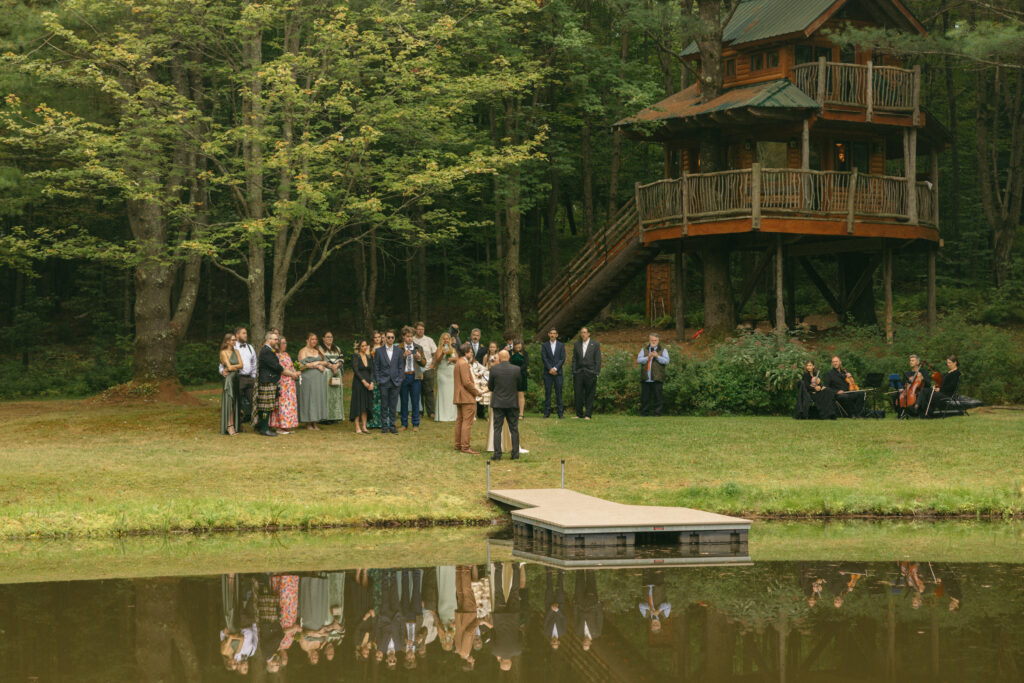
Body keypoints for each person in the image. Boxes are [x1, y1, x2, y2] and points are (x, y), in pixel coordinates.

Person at [488, 350, 522, 461]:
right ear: (508, 357)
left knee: (497, 429)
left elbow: (490, 386)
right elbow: (519, 385)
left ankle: (497, 454)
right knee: (514, 429)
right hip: (512, 402)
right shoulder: (516, 369)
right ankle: (515, 453)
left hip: (498, 402)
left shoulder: (494, 369)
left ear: (500, 357)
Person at [453, 342, 483, 454]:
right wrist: (477, 392)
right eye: (470, 352)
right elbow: (466, 382)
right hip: (466, 396)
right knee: (467, 422)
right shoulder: (464, 364)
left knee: (460, 421)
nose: (472, 353)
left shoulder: (458, 362)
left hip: (459, 396)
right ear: (466, 353)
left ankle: (458, 444)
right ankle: (465, 447)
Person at [374, 329, 404, 434]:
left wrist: (400, 379)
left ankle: (392, 425)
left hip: (395, 382)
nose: (390, 339)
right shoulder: (379, 351)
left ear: (394, 338)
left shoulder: (399, 351)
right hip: (384, 382)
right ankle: (384, 426)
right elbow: (376, 367)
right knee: (384, 405)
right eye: (388, 337)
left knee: (393, 405)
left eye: (392, 337)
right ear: (385, 338)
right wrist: (378, 380)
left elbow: (401, 367)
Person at [269, 336, 300, 435]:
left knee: (290, 404)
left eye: (286, 343)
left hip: (290, 383)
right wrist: (292, 374)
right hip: (282, 382)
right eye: (283, 343)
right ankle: (280, 426)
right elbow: (280, 369)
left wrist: (295, 373)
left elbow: (291, 366)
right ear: (278, 345)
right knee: (282, 404)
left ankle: (287, 426)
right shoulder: (276, 355)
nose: (285, 345)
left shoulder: (286, 354)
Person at [297, 333, 329, 430]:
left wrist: (318, 362)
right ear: (307, 340)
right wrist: (316, 365)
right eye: (312, 339)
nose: (314, 341)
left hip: (318, 378)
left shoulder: (318, 350)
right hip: (308, 378)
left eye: (315, 339)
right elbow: (302, 365)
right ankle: (308, 422)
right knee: (308, 398)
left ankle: (315, 422)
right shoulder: (303, 351)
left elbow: (326, 362)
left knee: (316, 398)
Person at [254, 331, 283, 436]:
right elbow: (275, 365)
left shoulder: (269, 350)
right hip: (267, 381)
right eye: (275, 339)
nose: (277, 341)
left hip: (269, 380)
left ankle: (264, 427)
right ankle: (264, 429)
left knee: (267, 406)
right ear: (268, 339)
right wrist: (283, 369)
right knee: (266, 406)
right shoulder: (266, 351)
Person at [398, 326, 427, 431]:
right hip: (403, 376)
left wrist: (419, 358)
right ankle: (404, 424)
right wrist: (403, 356)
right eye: (407, 336)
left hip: (415, 376)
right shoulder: (399, 348)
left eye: (411, 336)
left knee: (415, 401)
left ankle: (415, 424)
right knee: (404, 401)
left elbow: (424, 363)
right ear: (403, 337)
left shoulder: (418, 347)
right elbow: (394, 364)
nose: (410, 338)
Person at [637, 333, 670, 417]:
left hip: (657, 377)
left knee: (658, 397)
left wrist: (657, 356)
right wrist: (647, 357)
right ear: (649, 340)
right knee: (645, 397)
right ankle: (644, 413)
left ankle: (657, 413)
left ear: (658, 341)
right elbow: (639, 360)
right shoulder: (644, 349)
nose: (653, 341)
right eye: (652, 340)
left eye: (655, 340)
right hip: (646, 377)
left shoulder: (663, 350)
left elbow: (666, 361)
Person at [572, 327, 601, 419]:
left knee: (590, 394)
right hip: (579, 372)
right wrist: (574, 371)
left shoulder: (595, 344)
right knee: (578, 394)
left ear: (589, 334)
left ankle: (588, 414)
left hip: (590, 372)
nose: (583, 334)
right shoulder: (577, 344)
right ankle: (579, 414)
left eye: (585, 332)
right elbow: (574, 359)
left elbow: (598, 359)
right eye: (581, 333)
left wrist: (596, 372)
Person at [572, 570, 603, 651]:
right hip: (591, 604)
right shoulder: (597, 633)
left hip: (580, 603)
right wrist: (598, 605)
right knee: (591, 579)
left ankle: (579, 560)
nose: (585, 642)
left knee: (579, 580)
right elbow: (599, 618)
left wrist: (575, 605)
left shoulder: (578, 632)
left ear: (582, 642)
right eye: (586, 644)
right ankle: (589, 561)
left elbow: (575, 617)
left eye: (583, 644)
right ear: (590, 643)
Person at [219, 333, 243, 435]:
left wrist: (233, 367)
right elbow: (228, 367)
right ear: (227, 341)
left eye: (235, 340)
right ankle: (229, 426)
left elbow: (242, 365)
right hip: (228, 379)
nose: (234, 342)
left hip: (236, 378)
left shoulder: (236, 351)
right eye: (232, 340)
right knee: (230, 402)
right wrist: (233, 367)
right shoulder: (223, 352)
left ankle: (236, 425)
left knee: (236, 402)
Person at [349, 339, 375, 434]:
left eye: (365, 345)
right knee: (358, 404)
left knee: (365, 405)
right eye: (362, 346)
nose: (364, 347)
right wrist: (363, 381)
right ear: (359, 347)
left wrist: (371, 382)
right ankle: (357, 426)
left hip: (368, 383)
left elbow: (372, 370)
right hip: (358, 383)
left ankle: (364, 426)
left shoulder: (369, 356)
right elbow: (356, 370)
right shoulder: (355, 356)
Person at [233, 327, 258, 425]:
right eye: (243, 333)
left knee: (254, 401)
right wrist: (222, 371)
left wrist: (253, 376)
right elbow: (223, 363)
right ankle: (236, 424)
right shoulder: (233, 347)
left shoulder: (250, 347)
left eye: (246, 333)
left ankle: (256, 423)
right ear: (237, 335)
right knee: (237, 401)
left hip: (249, 378)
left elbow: (254, 362)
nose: (246, 335)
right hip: (238, 378)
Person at [413, 322, 438, 420]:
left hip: (428, 368)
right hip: (416, 369)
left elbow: (435, 353)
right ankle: (419, 412)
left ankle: (431, 412)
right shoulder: (413, 340)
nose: (420, 331)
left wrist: (433, 364)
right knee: (418, 391)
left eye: (422, 329)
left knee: (429, 391)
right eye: (419, 329)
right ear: (415, 329)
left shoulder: (429, 340)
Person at [319, 331, 345, 424]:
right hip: (325, 375)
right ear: (323, 338)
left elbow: (341, 358)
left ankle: (335, 416)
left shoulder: (337, 348)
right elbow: (321, 359)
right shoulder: (320, 348)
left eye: (331, 337)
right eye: (328, 337)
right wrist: (331, 366)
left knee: (336, 396)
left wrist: (337, 365)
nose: (330, 338)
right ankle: (326, 418)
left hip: (336, 373)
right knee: (327, 395)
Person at [541, 327, 565, 418]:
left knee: (559, 392)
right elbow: (544, 358)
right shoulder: (545, 345)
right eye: (551, 333)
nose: (552, 335)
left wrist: (555, 368)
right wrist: (550, 369)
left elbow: (562, 358)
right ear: (548, 334)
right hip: (548, 373)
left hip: (558, 373)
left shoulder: (561, 345)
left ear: (557, 335)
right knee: (548, 392)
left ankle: (560, 413)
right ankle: (547, 413)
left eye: (554, 333)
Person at [433, 332, 458, 422]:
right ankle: (442, 415)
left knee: (451, 394)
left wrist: (452, 359)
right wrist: (443, 353)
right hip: (442, 373)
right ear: (441, 340)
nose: (446, 340)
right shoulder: (439, 349)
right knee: (443, 393)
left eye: (447, 338)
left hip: (451, 373)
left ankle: (452, 415)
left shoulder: (453, 349)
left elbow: (458, 360)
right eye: (444, 338)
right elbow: (438, 361)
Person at [543, 568, 567, 650]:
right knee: (559, 588)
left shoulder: (546, 632)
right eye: (556, 643)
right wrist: (557, 609)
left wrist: (551, 609)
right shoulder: (563, 632)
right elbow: (563, 618)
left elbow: (546, 619)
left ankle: (548, 571)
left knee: (549, 588)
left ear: (550, 642)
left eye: (553, 643)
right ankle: (560, 571)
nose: (554, 642)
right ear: (558, 642)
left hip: (549, 606)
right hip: (559, 606)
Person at [367, 331, 384, 430]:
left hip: (382, 375)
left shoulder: (384, 348)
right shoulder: (369, 349)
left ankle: (382, 422)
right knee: (373, 399)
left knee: (383, 399)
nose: (377, 339)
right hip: (372, 375)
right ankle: (372, 422)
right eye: (375, 337)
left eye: (379, 337)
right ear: (372, 339)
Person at [469, 328, 487, 418]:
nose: (475, 337)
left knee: (480, 391)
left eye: (477, 335)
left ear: (479, 337)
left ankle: (480, 413)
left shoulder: (484, 348)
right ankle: (471, 413)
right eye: (474, 335)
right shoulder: (467, 346)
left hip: (479, 373)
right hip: (469, 371)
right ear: (471, 336)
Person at [509, 340, 528, 420]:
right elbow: (507, 362)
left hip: (522, 375)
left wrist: (519, 370)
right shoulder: (509, 352)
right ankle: (511, 412)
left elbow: (526, 363)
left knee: (520, 394)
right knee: (511, 394)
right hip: (510, 375)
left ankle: (521, 413)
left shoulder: (525, 353)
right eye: (516, 346)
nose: (518, 347)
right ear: (514, 346)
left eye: (519, 346)